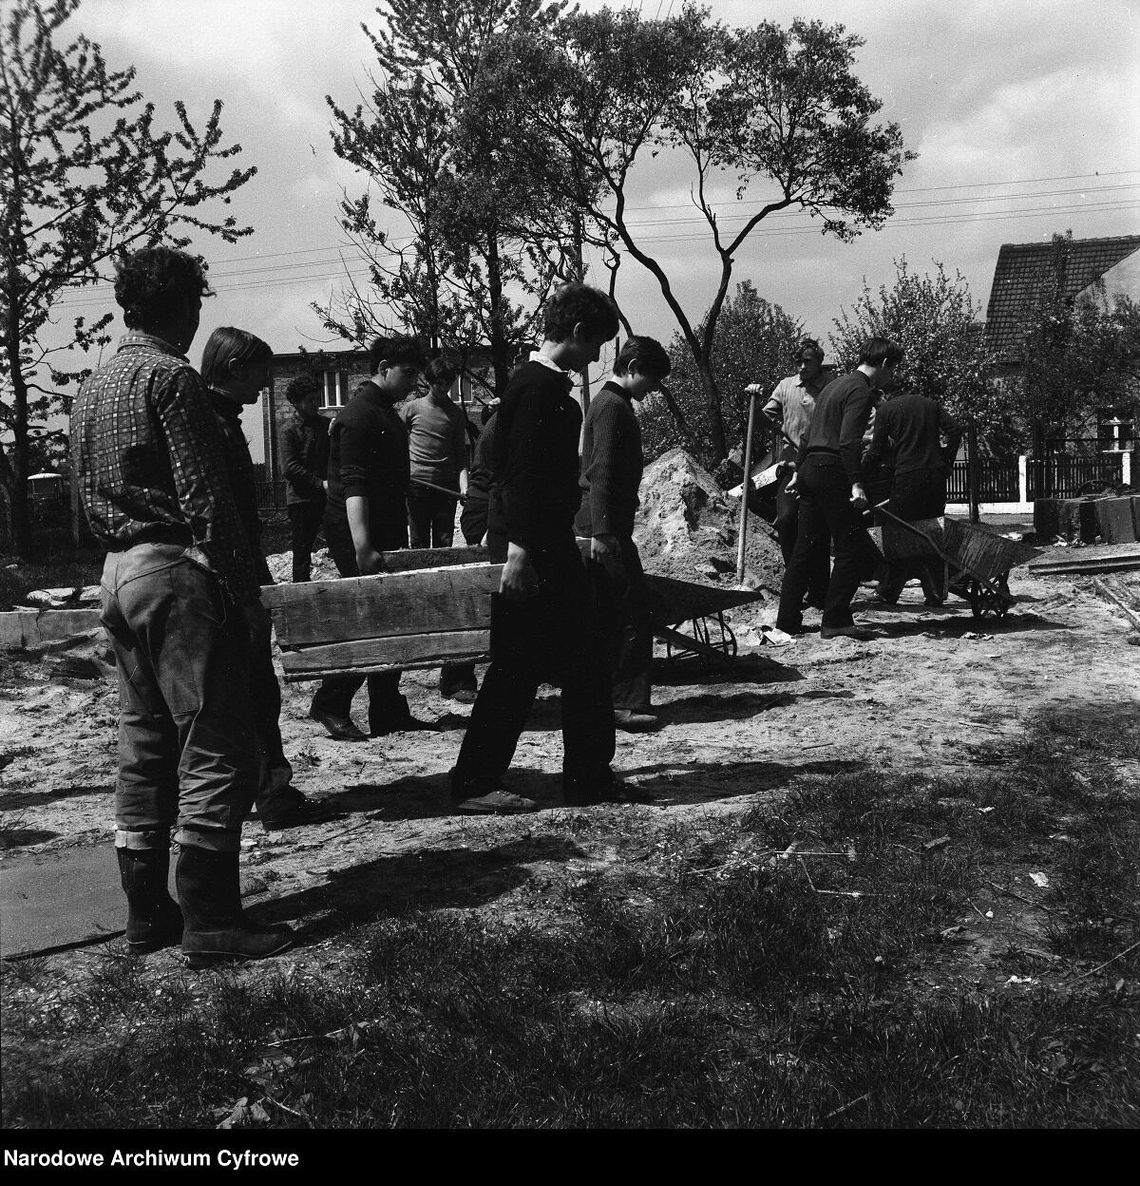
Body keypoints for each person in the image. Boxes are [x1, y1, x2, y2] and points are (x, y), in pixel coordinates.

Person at [71, 246, 293, 967]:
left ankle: (146, 912)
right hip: (172, 570)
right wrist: (246, 594)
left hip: (117, 571)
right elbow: (206, 497)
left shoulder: (95, 384)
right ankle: (212, 917)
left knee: (143, 743)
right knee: (215, 741)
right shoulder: (171, 378)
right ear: (185, 309)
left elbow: (81, 495)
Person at [449, 283, 643, 813]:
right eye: (595, 343)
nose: (597, 356)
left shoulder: (545, 385)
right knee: (519, 667)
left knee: (582, 662)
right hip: (531, 550)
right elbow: (517, 475)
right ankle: (475, 783)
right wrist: (517, 551)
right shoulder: (535, 387)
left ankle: (588, 778)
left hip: (546, 543)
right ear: (576, 332)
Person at [200, 328, 338, 831]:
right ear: (235, 368)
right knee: (256, 687)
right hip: (231, 576)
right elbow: (223, 518)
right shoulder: (213, 427)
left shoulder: (217, 421)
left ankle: (260, 792)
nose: (265, 385)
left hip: (232, 569)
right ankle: (271, 796)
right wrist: (248, 591)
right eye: (260, 373)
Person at [307, 335, 429, 742]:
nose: (413, 383)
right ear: (383, 368)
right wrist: (362, 546)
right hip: (357, 532)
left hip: (383, 528)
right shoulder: (359, 415)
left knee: (389, 615)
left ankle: (387, 709)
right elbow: (353, 486)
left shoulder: (383, 411)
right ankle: (331, 701)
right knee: (369, 617)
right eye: (407, 373)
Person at [775, 337, 904, 640]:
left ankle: (787, 621)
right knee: (853, 549)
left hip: (811, 468)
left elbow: (807, 436)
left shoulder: (834, 386)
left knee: (804, 549)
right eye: (892, 370)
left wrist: (799, 472)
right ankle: (835, 620)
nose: (891, 376)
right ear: (885, 363)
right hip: (832, 471)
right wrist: (857, 482)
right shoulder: (860, 390)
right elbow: (848, 442)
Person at [576, 335, 670, 732]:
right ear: (632, 368)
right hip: (604, 528)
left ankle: (611, 700)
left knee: (613, 614)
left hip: (607, 525)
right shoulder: (612, 407)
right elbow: (600, 472)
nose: (655, 388)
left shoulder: (614, 404)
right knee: (634, 611)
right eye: (652, 378)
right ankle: (625, 704)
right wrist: (601, 532)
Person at [864, 389, 963, 605]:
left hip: (907, 476)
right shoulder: (930, 403)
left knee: (898, 534)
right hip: (935, 476)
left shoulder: (885, 411)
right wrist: (946, 461)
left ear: (880, 398)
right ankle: (936, 593)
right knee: (932, 532)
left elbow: (876, 450)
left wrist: (857, 477)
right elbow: (955, 430)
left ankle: (888, 591)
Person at [757, 339, 830, 607]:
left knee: (818, 527)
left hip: (818, 462)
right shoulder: (786, 386)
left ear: (819, 361)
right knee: (787, 519)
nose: (801, 367)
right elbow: (764, 418)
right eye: (798, 362)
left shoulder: (830, 388)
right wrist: (754, 403)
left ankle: (820, 591)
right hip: (790, 463)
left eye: (807, 361)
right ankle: (796, 582)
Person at [441, 399, 501, 705]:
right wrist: (494, 527)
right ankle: (457, 677)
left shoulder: (505, 420)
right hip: (485, 513)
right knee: (478, 597)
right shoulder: (505, 424)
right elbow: (501, 480)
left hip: (489, 511)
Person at [401, 356, 468, 549]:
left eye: (448, 384)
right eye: (439, 383)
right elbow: (393, 439)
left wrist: (464, 486)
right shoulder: (412, 408)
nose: (443, 388)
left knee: (444, 542)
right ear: (430, 382)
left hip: (445, 486)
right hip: (417, 485)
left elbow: (461, 454)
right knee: (418, 541)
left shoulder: (455, 413)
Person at [280, 373, 330, 583]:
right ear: (296, 402)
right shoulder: (288, 430)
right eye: (310, 400)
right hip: (301, 500)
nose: (315, 404)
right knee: (302, 552)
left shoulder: (325, 425)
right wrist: (320, 483)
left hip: (327, 497)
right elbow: (290, 468)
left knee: (339, 543)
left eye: (317, 399)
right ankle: (301, 589)